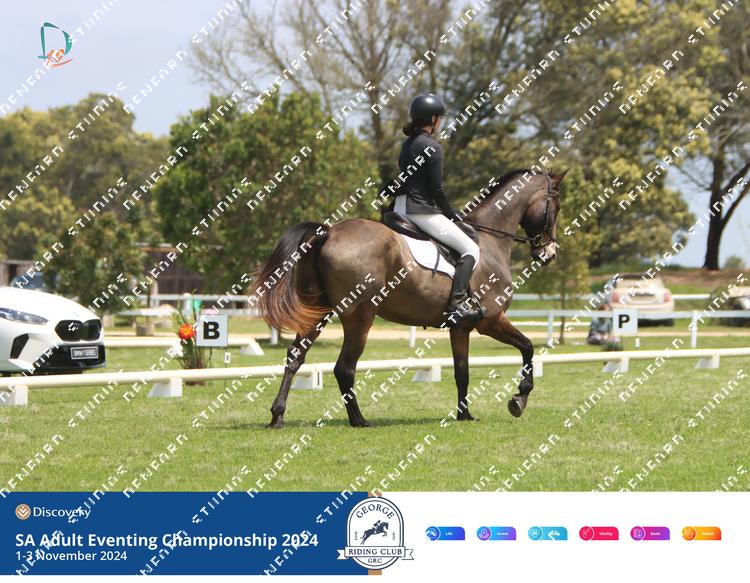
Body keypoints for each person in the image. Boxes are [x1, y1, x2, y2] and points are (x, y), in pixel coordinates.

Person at [395, 93, 483, 324]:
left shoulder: (407, 144)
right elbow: (436, 188)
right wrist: (452, 213)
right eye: (440, 118)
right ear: (433, 119)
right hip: (420, 211)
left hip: (400, 207)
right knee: (470, 249)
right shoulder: (432, 147)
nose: (441, 122)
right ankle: (457, 305)